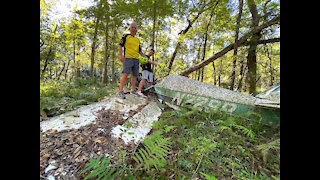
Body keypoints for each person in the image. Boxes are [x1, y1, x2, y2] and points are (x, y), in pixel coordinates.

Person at [118, 23, 145, 99]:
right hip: (128, 58)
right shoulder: (126, 36)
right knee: (125, 74)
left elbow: (140, 51)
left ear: (137, 30)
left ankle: (133, 90)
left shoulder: (137, 40)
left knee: (134, 75)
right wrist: (121, 55)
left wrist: (145, 57)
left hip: (136, 59)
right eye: (132, 27)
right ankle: (121, 91)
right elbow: (120, 45)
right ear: (129, 29)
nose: (134, 29)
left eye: (135, 28)